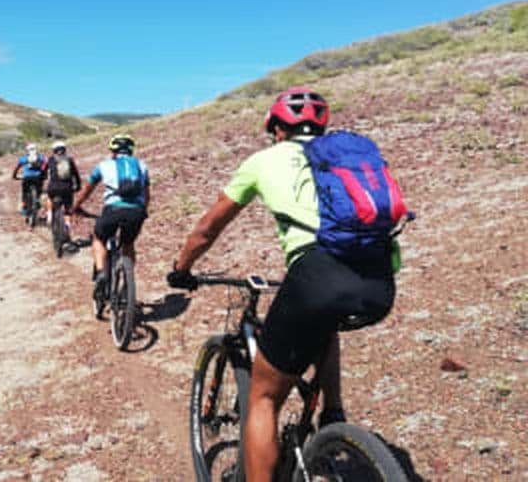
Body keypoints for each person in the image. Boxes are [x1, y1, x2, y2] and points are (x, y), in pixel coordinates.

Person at [167, 87, 397, 482]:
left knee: (263, 397)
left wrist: (182, 268)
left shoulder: (264, 160)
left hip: (318, 277)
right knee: (323, 322)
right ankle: (333, 410)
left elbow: (207, 228)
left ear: (276, 130)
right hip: (379, 281)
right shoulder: (345, 160)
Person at [72, 133, 150, 295]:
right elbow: (147, 194)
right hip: (136, 211)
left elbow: (87, 190)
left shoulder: (104, 165)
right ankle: (128, 284)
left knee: (99, 238)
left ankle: (101, 273)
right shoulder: (142, 166)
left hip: (113, 210)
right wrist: (143, 211)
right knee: (128, 244)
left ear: (113, 151)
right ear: (131, 151)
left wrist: (76, 206)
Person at [44, 140, 81, 231]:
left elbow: (43, 170)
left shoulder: (50, 160)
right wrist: (78, 185)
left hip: (53, 187)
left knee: (49, 197)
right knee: (68, 205)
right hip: (67, 188)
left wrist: (43, 177)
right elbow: (76, 174)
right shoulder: (70, 159)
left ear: (54, 150)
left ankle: (49, 215)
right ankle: (68, 224)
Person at [11, 143, 47, 216]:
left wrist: (14, 176)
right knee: (39, 190)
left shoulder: (23, 158)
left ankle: (24, 208)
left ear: (27, 150)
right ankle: (37, 200)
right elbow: (46, 164)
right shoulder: (41, 157)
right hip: (38, 178)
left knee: (25, 193)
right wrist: (44, 175)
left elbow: (16, 168)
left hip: (26, 178)